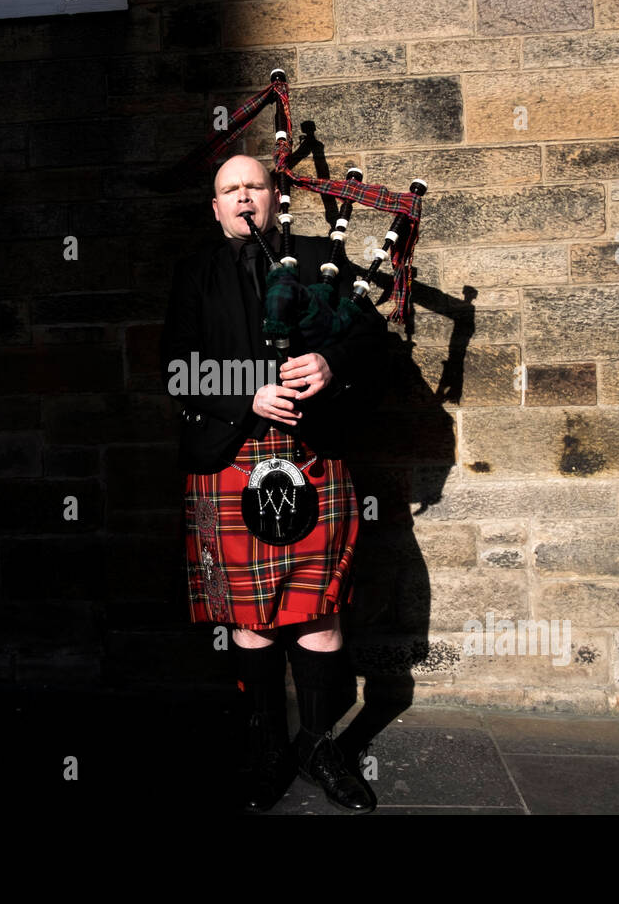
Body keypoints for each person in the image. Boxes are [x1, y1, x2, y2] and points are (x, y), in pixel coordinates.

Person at [160, 154, 387, 813]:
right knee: (250, 619)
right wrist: (244, 393)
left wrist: (329, 360)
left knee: (318, 611)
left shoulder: (320, 257)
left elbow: (371, 335)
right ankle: (266, 744)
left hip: (312, 452)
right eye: (229, 190)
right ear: (215, 207)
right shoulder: (196, 274)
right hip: (231, 454)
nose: (243, 198)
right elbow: (176, 371)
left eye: (253, 186)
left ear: (273, 194)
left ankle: (320, 746)